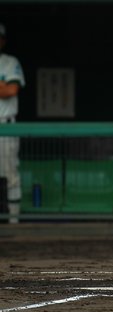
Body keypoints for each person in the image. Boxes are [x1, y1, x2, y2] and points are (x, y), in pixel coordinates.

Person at [0, 23, 25, 224]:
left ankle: (14, 222)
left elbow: (11, 91)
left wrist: (5, 87)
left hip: (6, 125)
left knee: (10, 174)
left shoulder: (9, 62)